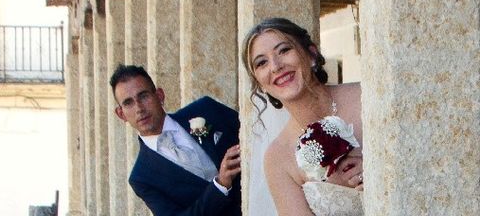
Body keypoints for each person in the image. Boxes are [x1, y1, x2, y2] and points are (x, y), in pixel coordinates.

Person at [241, 18, 364, 216]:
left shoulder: (365, 98)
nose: (275, 66)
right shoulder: (278, 158)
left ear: (312, 54)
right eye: (262, 63)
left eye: (284, 50)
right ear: (260, 84)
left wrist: (376, 172)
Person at [109, 64, 242, 216]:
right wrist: (220, 185)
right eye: (128, 103)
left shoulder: (206, 109)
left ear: (159, 96)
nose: (139, 108)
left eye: (143, 96)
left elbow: (254, 132)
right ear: (121, 114)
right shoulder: (142, 177)